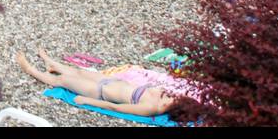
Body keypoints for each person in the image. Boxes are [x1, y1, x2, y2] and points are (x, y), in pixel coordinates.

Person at [15, 50, 177, 118]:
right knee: (78, 72)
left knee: (62, 81)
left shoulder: (150, 108)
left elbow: (117, 108)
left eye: (174, 100)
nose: (173, 97)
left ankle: (30, 69)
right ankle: (52, 63)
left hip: (99, 91)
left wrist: (88, 101)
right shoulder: (164, 97)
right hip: (112, 81)